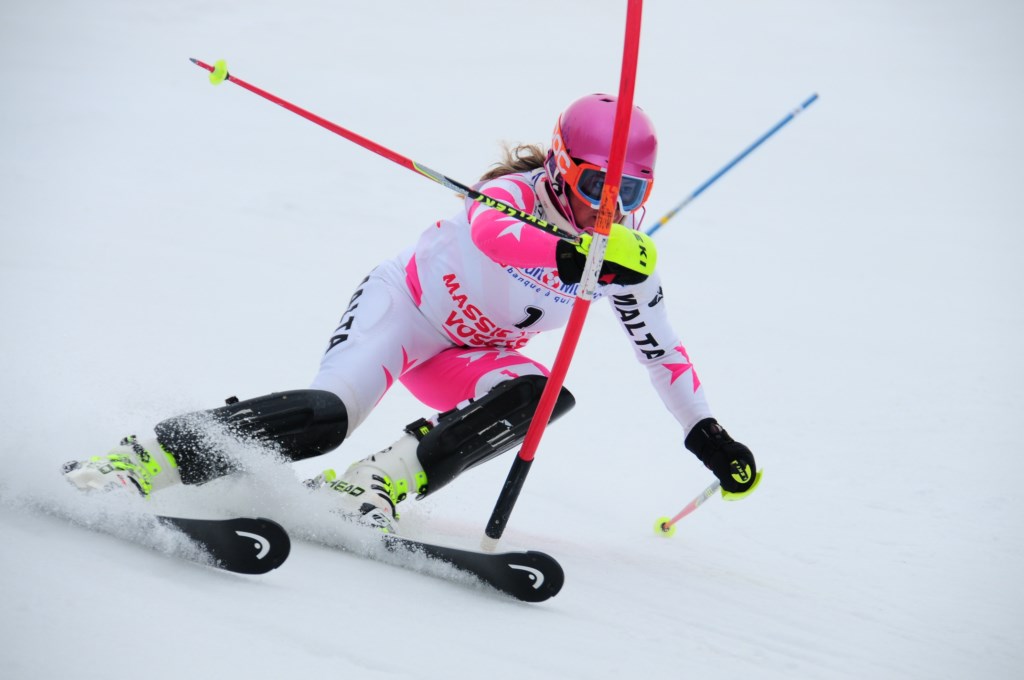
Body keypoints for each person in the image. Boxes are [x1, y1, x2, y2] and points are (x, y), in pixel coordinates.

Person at [62, 94, 760, 533]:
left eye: (628, 191)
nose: (606, 206)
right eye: (595, 183)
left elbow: (662, 353)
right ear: (559, 167)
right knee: (326, 418)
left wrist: (707, 435)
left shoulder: (625, 260)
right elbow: (496, 236)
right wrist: (571, 259)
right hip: (404, 312)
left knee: (543, 394)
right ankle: (147, 456)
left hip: (468, 356)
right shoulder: (516, 197)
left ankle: (374, 485)